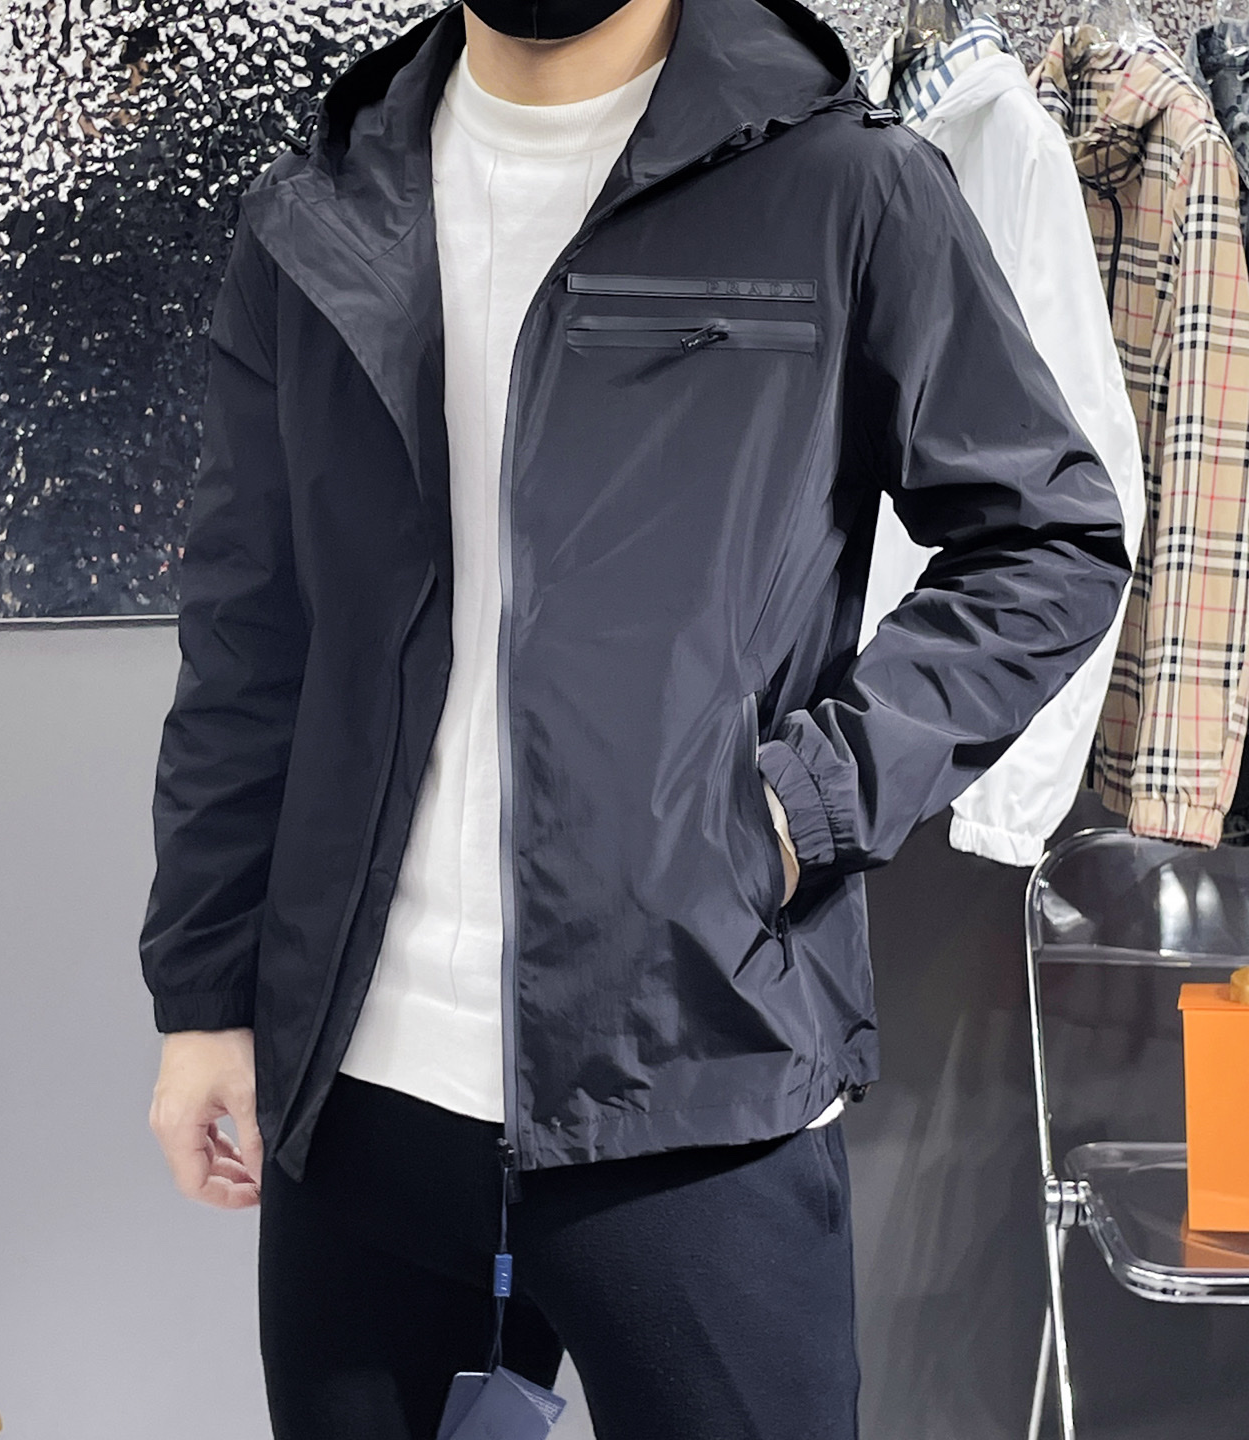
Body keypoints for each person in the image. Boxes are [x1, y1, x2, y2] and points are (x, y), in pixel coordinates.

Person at [139, 0, 1130, 1434]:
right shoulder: (323, 207)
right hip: (357, 1093)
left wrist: (804, 804)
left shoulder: (840, 185)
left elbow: (1048, 541)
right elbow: (250, 631)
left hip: (692, 1070)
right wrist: (203, 999)